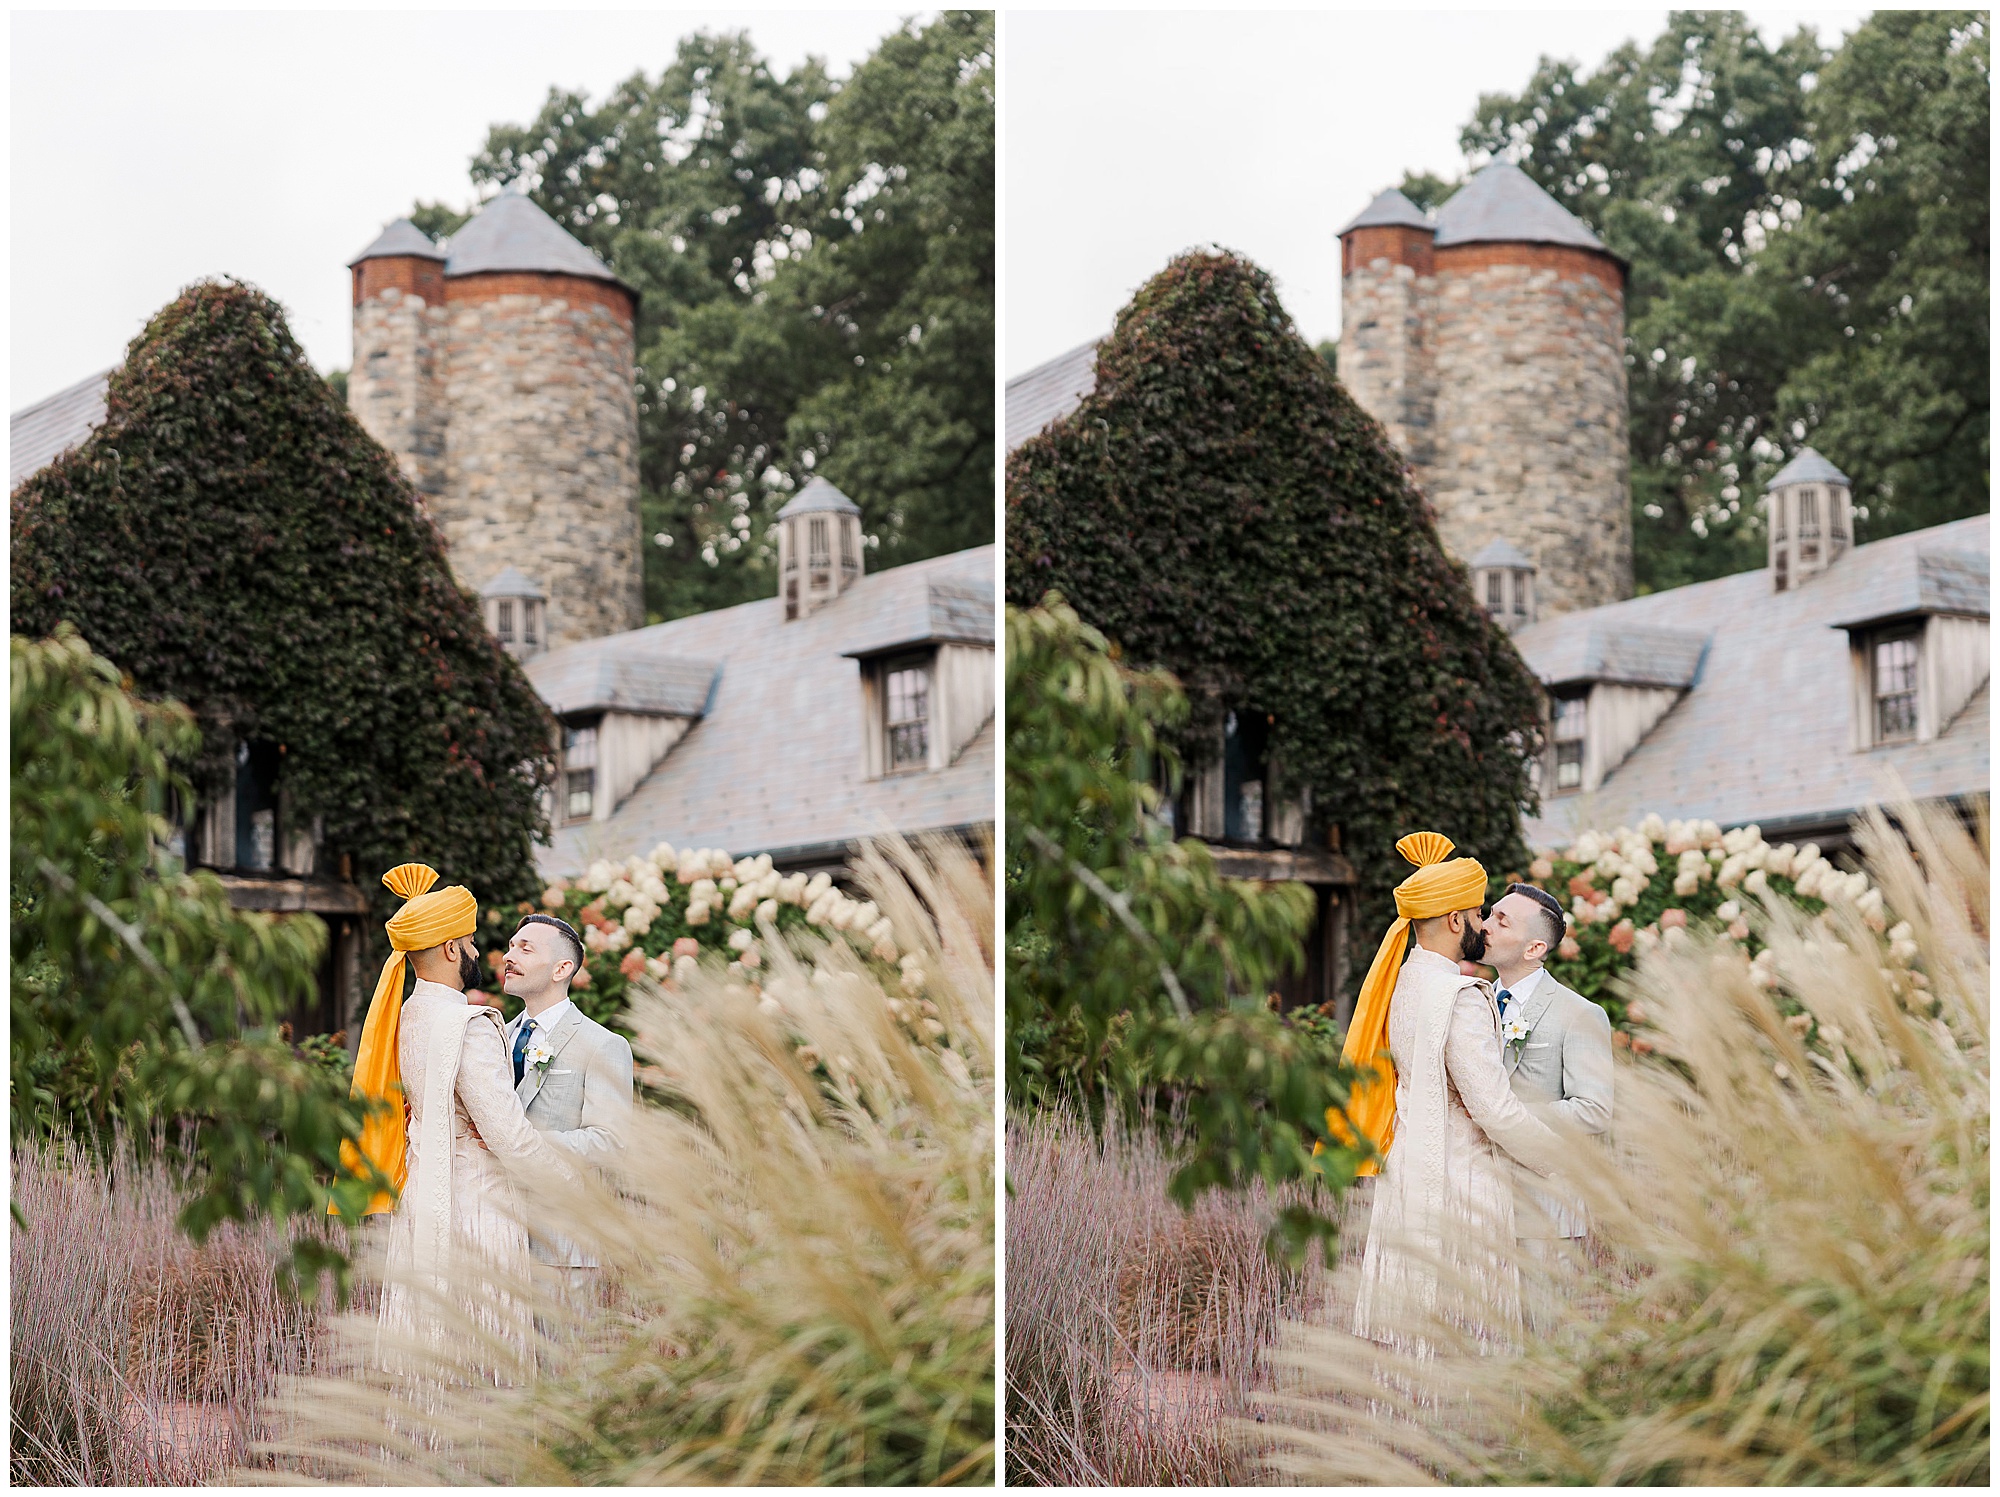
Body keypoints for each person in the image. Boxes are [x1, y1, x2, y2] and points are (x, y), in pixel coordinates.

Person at [1332, 832, 1564, 1354]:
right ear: (1456, 919)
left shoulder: (1403, 983)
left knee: (1413, 1342)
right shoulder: (1459, 997)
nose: (1485, 925)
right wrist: (1559, 1159)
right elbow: (1495, 1112)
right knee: (1467, 1336)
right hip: (1461, 1184)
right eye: (1481, 913)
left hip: (1411, 1173)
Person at [342, 863, 571, 1372]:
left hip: (423, 1201)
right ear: (450, 949)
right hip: (474, 1209)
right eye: (469, 943)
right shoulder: (468, 1025)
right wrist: (573, 1185)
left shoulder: (403, 1019)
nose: (475, 953)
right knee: (481, 1354)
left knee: (427, 1350)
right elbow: (509, 1137)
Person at [498, 913, 634, 1283]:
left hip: (563, 1245)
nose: (510, 956)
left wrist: (524, 1145)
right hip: (497, 1240)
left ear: (561, 968)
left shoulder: (603, 1045)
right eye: (511, 947)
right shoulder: (496, 1038)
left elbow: (610, 1142)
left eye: (525, 949)